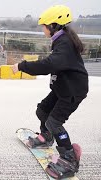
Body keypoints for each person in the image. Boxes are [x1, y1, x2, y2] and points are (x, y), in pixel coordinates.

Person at [11, 5, 89, 179]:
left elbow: (50, 64)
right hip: (63, 88)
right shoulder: (62, 40)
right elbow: (52, 62)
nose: (42, 29)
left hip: (72, 91)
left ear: (53, 25)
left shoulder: (65, 43)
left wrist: (22, 66)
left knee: (54, 122)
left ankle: (69, 157)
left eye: (44, 26)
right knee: (42, 111)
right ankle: (47, 136)